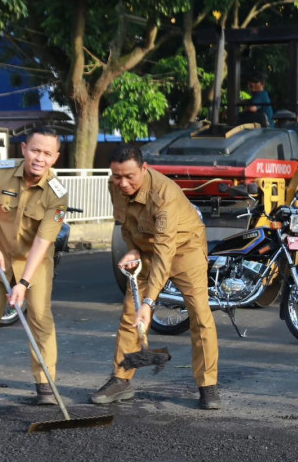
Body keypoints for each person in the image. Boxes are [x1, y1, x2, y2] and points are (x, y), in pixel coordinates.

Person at [89, 144, 220, 410]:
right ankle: (121, 380)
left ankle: (208, 385)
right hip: (146, 249)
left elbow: (165, 252)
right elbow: (125, 224)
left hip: (185, 248)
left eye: (129, 177)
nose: (122, 183)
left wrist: (149, 304)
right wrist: (133, 248)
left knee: (200, 314)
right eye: (117, 176)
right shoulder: (114, 185)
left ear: (144, 169)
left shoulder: (164, 194)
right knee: (130, 315)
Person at [0, 127, 69, 405]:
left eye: (47, 153)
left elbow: (43, 241)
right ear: (23, 150)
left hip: (36, 264)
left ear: (55, 157)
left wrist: (24, 283)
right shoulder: (0, 172)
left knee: (40, 320)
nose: (39, 158)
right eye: (35, 150)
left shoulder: (58, 193)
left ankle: (45, 383)